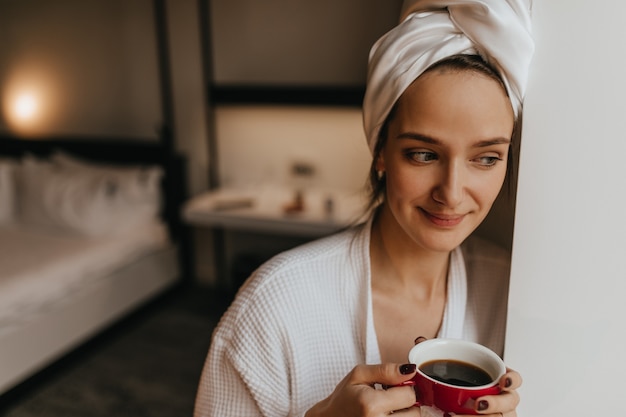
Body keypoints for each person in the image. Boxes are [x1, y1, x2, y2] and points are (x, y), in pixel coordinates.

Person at [194, 0, 534, 416]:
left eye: (486, 158)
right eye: (423, 154)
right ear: (380, 152)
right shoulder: (273, 310)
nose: (452, 192)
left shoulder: (516, 297)